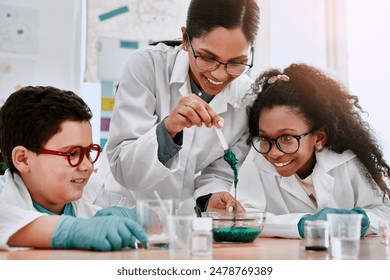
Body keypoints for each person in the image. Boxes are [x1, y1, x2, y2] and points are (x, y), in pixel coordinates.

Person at [99, 0, 261, 214]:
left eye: (237, 62)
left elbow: (219, 174)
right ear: (186, 39)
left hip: (184, 221)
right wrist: (169, 128)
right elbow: (125, 168)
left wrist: (211, 197)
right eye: (207, 57)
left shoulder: (248, 99)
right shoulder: (147, 66)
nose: (220, 74)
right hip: (125, 210)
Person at [236, 63, 390, 238]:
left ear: (318, 138)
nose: (273, 152)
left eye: (286, 138)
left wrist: (364, 219)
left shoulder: (348, 160)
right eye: (264, 138)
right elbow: (243, 216)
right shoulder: (258, 156)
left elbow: (384, 212)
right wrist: (302, 224)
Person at [0, 86, 147, 251]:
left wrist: (139, 217)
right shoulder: (4, 196)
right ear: (23, 159)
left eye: (88, 152)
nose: (88, 166)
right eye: (72, 154)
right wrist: (71, 230)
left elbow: (159, 219)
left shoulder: (94, 191)